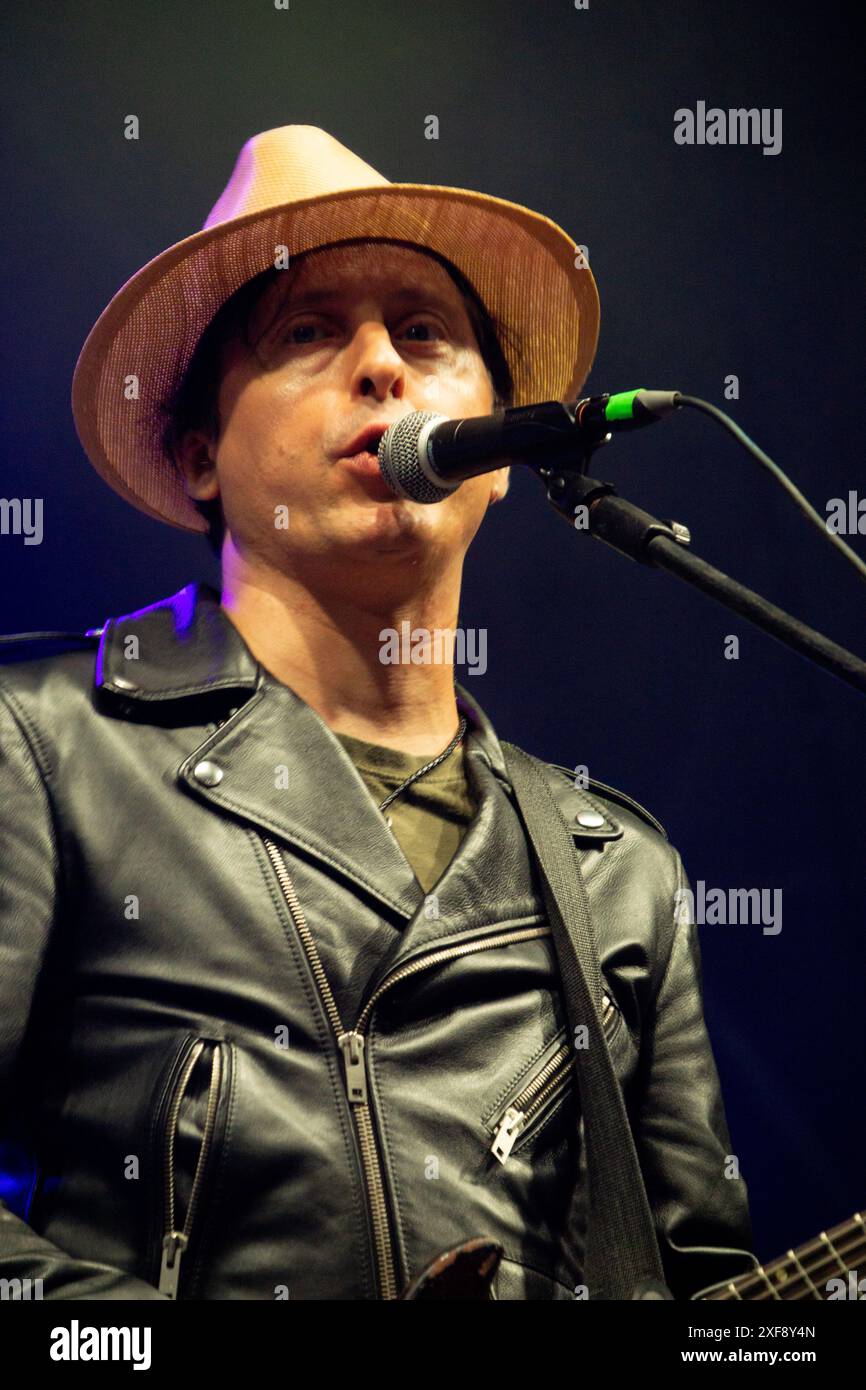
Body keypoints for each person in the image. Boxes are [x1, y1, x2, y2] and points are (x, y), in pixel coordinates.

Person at [0, 125, 757, 1300]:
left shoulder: (620, 869)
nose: (382, 367)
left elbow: (701, 1280)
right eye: (305, 331)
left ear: (502, 450)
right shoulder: (40, 747)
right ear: (199, 454)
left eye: (425, 332)